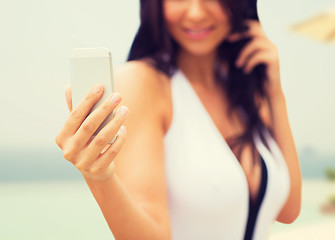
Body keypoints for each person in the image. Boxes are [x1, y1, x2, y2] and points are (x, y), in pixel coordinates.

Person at [55, 0, 302, 239]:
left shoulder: (246, 90)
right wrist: (100, 177)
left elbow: (287, 210)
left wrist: (274, 94)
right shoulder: (143, 84)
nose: (195, 12)